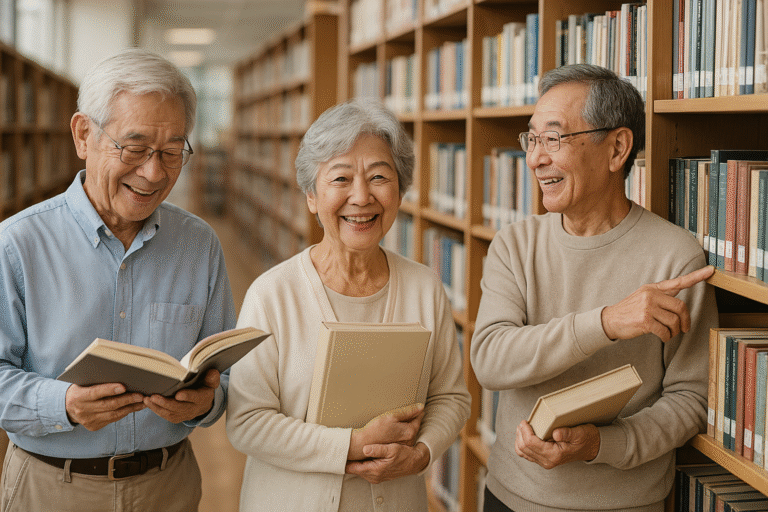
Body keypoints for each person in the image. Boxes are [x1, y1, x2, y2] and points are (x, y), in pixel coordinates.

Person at [470, 64, 719, 512]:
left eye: (554, 138)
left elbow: (691, 399)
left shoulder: (676, 257)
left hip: (624, 506)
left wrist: (601, 445)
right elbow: (490, 359)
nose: (535, 158)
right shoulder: (515, 244)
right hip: (512, 497)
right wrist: (605, 323)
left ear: (617, 148)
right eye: (532, 138)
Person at [0, 48, 235, 511]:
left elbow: (225, 374)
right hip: (51, 489)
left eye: (172, 152)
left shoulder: (199, 245)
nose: (153, 173)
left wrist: (205, 404)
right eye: (134, 148)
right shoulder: (16, 244)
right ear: (84, 134)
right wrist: (63, 403)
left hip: (170, 486)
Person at [226, 98, 471, 511]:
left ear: (400, 190)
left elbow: (451, 397)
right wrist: (351, 446)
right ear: (311, 196)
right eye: (341, 179)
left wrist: (422, 452)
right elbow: (247, 423)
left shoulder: (425, 288)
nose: (361, 196)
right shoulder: (272, 294)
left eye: (379, 177)